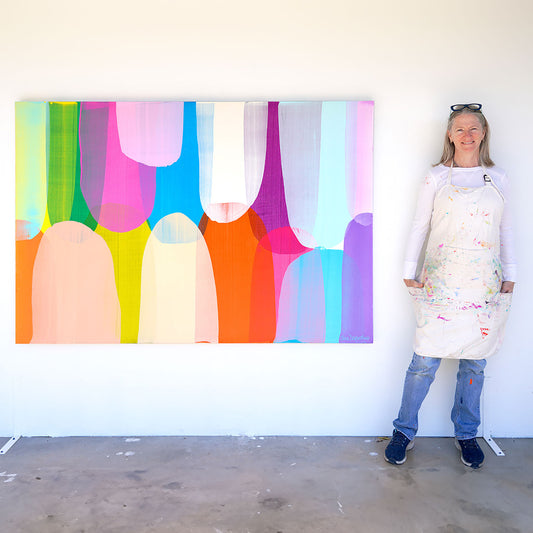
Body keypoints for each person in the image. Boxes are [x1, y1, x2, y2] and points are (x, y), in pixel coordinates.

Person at [385, 103, 516, 469]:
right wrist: (409, 270)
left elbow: (506, 228)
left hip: (484, 283)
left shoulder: (498, 178)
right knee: (423, 361)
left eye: (473, 128)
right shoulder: (436, 177)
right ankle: (404, 431)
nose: (467, 135)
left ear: (484, 133)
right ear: (450, 135)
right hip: (440, 278)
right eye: (460, 129)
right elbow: (419, 225)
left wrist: (511, 274)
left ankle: (467, 434)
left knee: (474, 364)